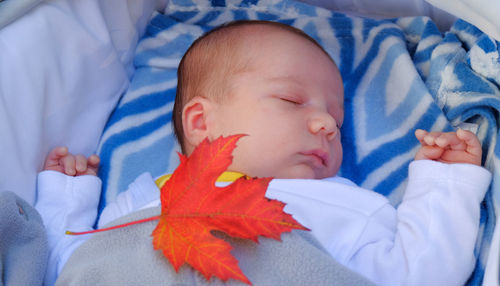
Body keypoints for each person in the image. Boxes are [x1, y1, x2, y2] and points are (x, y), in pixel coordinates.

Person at [36, 20, 491, 286]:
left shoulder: (346, 206)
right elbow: (72, 265)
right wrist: (65, 199)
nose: (328, 124)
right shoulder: (144, 201)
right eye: (293, 101)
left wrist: (445, 183)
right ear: (201, 123)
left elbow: (421, 272)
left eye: (337, 120)